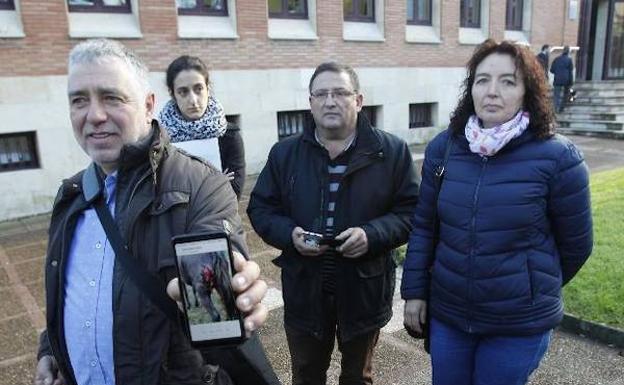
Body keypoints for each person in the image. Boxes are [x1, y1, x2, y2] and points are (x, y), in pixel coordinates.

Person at [34, 39, 267, 385]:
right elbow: (73, 292)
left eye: (111, 97)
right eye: (79, 100)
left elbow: (216, 306)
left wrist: (234, 290)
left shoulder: (203, 185)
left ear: (148, 106)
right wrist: (52, 348)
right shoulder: (71, 195)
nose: (94, 115)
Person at [402, 39, 593, 385]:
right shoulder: (444, 149)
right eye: (482, 80)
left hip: (517, 324)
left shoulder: (559, 158)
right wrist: (415, 292)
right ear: (470, 88)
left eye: (508, 81)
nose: (492, 91)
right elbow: (424, 228)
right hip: (450, 315)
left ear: (527, 91)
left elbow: (576, 246)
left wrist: (530, 288)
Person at [247, 62, 419, 385]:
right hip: (305, 287)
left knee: (357, 377)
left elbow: (411, 212)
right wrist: (290, 234)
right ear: (310, 102)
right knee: (307, 375)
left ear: (358, 100)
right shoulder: (285, 154)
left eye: (340, 93)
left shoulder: (391, 152)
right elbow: (260, 208)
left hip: (364, 287)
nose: (330, 101)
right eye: (321, 94)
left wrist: (372, 234)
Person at [159, 55, 246, 200]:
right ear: (172, 94)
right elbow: (159, 193)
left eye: (198, 89)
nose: (193, 100)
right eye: (183, 92)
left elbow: (233, 194)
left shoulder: (229, 136)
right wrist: (217, 181)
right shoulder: (160, 138)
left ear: (208, 88)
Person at [550, 45, 574, 112]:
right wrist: (571, 82)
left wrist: (557, 72)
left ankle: (555, 109)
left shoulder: (556, 59)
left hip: (557, 79)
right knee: (565, 94)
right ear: (568, 52)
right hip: (566, 80)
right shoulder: (569, 60)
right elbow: (570, 72)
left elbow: (551, 70)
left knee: (556, 95)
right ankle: (561, 108)